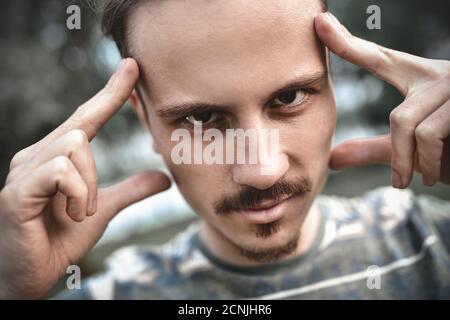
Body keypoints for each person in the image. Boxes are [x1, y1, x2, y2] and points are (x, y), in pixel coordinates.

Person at [0, 0, 449, 299]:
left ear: (332, 79)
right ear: (145, 117)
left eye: (289, 98)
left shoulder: (428, 244)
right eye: (200, 120)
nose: (262, 170)